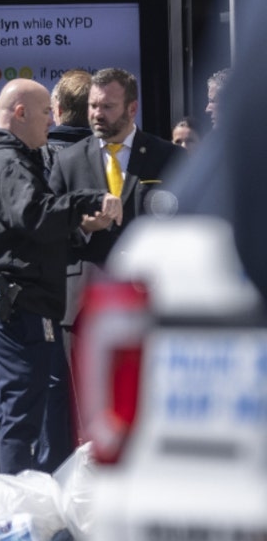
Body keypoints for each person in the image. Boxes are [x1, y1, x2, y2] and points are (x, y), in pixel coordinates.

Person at [0, 78, 122, 475]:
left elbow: (33, 221)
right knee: (21, 402)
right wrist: (87, 201)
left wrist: (80, 221)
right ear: (20, 113)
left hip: (22, 296)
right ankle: (13, 506)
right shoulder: (6, 162)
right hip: (15, 300)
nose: (51, 122)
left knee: (16, 402)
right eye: (44, 114)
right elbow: (32, 213)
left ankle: (3, 500)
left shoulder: (14, 160)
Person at [49, 68, 181, 352]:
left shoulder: (168, 158)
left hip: (150, 299)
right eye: (93, 105)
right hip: (85, 306)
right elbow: (48, 227)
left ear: (132, 109)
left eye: (108, 106)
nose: (97, 114)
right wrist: (83, 227)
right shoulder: (68, 162)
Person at [47, 69, 92, 150]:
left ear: (59, 109)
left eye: (52, 110)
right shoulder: (112, 152)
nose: (51, 120)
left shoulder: (36, 153)